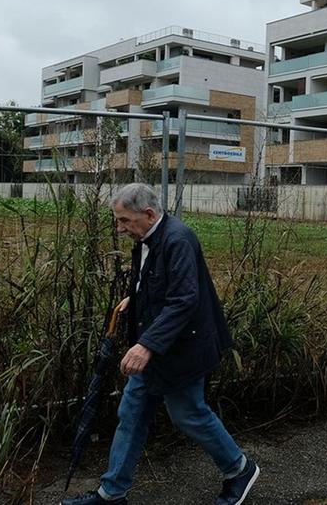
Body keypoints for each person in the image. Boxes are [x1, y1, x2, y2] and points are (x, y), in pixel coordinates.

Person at [63, 183, 259, 505]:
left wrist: (145, 346)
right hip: (155, 344)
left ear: (149, 214)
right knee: (132, 412)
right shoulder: (146, 238)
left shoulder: (177, 239)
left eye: (124, 220)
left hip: (183, 349)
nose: (119, 228)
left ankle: (239, 469)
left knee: (189, 415)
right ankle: (112, 494)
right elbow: (158, 283)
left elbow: (183, 300)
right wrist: (136, 298)